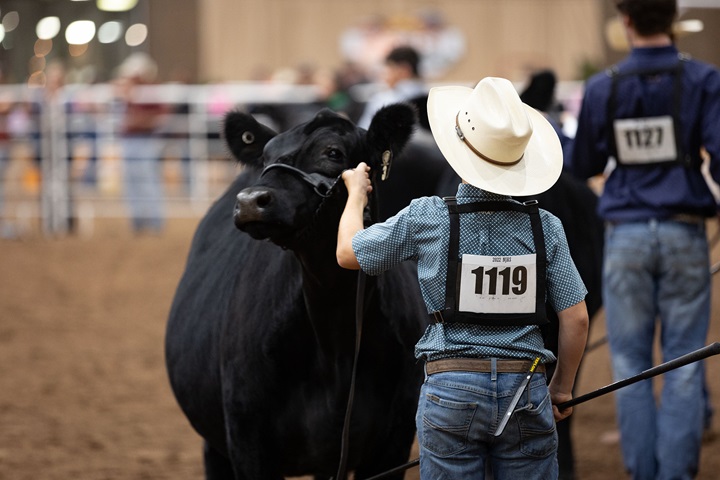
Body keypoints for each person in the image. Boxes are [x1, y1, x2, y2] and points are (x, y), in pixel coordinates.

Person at [337, 77, 589, 479]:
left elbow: (349, 254)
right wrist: (560, 388)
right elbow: (575, 318)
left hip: (450, 388)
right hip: (525, 387)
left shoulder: (428, 216)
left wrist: (355, 196)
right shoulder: (546, 227)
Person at [567, 1, 720, 479]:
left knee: (630, 362)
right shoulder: (706, 81)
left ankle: (642, 471)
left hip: (626, 235)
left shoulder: (601, 87)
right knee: (685, 362)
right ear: (672, 20)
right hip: (683, 231)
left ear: (625, 21)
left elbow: (583, 163)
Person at [356, 45, 427, 129]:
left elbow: (363, 132)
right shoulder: (429, 96)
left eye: (389, 69)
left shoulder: (384, 99)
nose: (385, 75)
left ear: (404, 69)